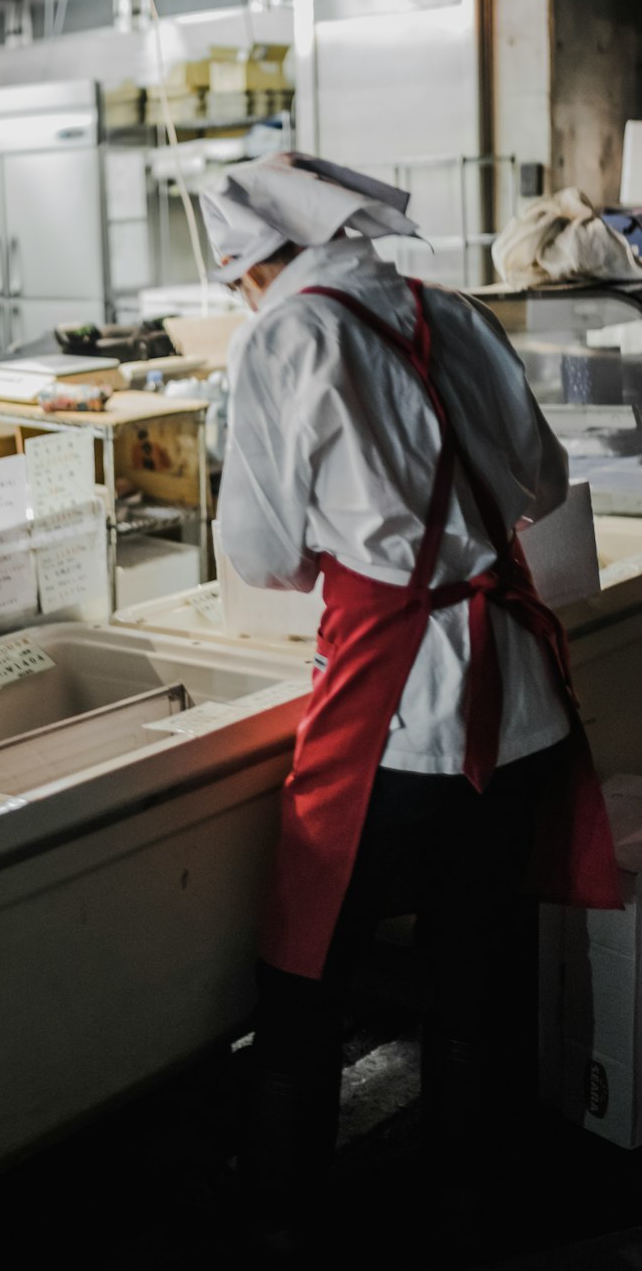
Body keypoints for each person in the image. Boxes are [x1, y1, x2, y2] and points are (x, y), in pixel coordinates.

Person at [205, 153, 621, 1254]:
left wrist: (353, 551)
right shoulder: (457, 313)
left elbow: (258, 551)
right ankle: (470, 1212)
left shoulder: (285, 338)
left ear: (255, 265)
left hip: (401, 716)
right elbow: (538, 479)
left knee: (304, 985)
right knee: (475, 978)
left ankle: (286, 1224)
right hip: (522, 707)